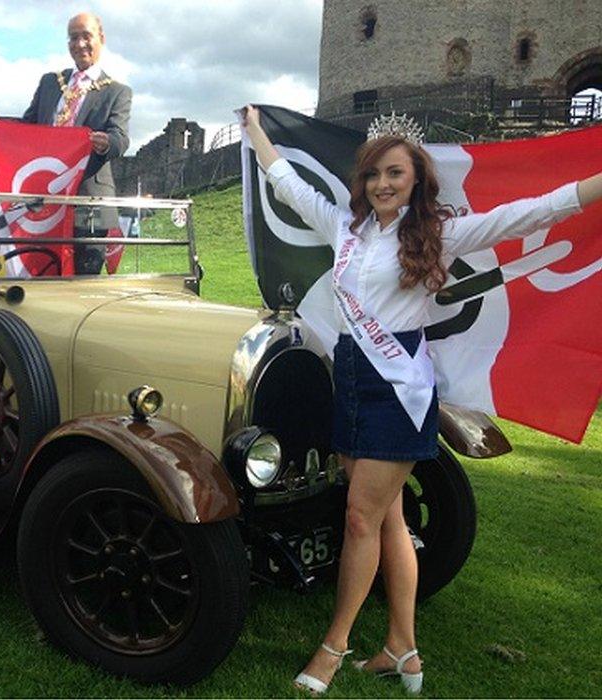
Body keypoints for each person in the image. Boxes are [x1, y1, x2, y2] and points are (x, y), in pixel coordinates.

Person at [242, 105, 602, 695]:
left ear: (415, 181)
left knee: (360, 518)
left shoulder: (440, 232)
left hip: (397, 388)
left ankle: (332, 649)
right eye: (374, 175)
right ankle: (402, 649)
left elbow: (533, 212)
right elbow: (287, 182)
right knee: (389, 520)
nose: (383, 184)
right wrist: (256, 133)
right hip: (353, 379)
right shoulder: (347, 229)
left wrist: (593, 185)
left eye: (395, 174)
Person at [0, 12, 132, 274]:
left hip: (89, 199)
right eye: (73, 38)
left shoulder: (117, 91)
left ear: (101, 39)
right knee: (42, 269)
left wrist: (106, 143)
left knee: (84, 276)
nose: (79, 44)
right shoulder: (50, 82)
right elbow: (27, 128)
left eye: (86, 36)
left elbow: (121, 138)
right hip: (44, 197)